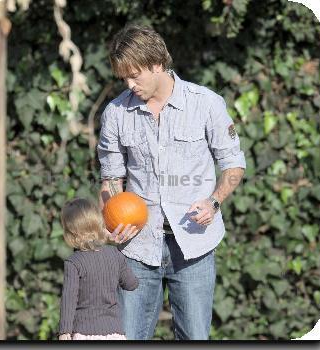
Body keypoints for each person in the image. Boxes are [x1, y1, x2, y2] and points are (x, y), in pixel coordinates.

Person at [97, 24, 246, 340]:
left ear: (157, 64)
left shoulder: (206, 104)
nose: (129, 83)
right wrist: (111, 218)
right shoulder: (115, 113)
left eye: (135, 75)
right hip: (137, 246)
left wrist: (214, 201)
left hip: (194, 245)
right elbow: (111, 178)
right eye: (123, 77)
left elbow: (234, 165)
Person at [58, 198, 139, 340]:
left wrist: (64, 331)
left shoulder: (74, 262)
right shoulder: (115, 254)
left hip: (83, 332)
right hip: (115, 332)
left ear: (71, 233)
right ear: (99, 223)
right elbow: (131, 284)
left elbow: (68, 300)